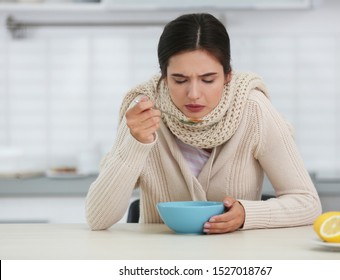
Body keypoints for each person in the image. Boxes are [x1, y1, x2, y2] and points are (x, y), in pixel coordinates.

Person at [85, 13, 322, 234]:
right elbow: (98, 218)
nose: (194, 94)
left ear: (228, 75)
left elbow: (307, 202)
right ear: (164, 78)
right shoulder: (144, 112)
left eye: (208, 79)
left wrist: (247, 214)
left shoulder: (254, 109)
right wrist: (135, 143)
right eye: (180, 80)